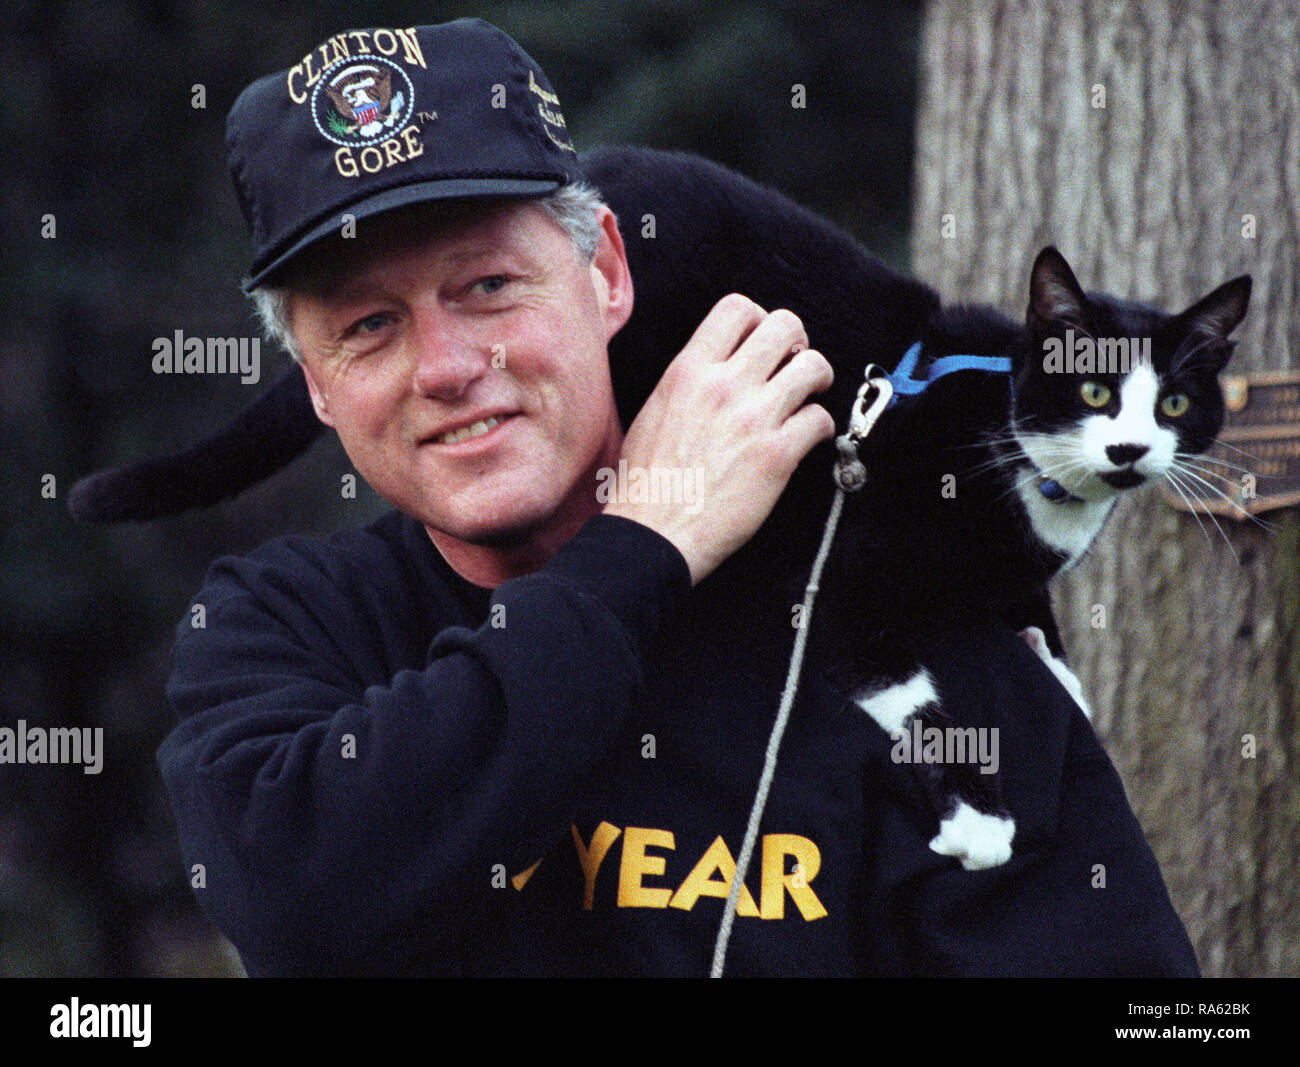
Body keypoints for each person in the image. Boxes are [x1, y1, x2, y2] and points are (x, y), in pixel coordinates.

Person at [157, 17, 1201, 977]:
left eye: (486, 287)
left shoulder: (898, 629)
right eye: (368, 325)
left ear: (608, 274)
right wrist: (642, 542)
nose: (444, 365)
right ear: (317, 385)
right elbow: (297, 902)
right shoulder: (285, 623)